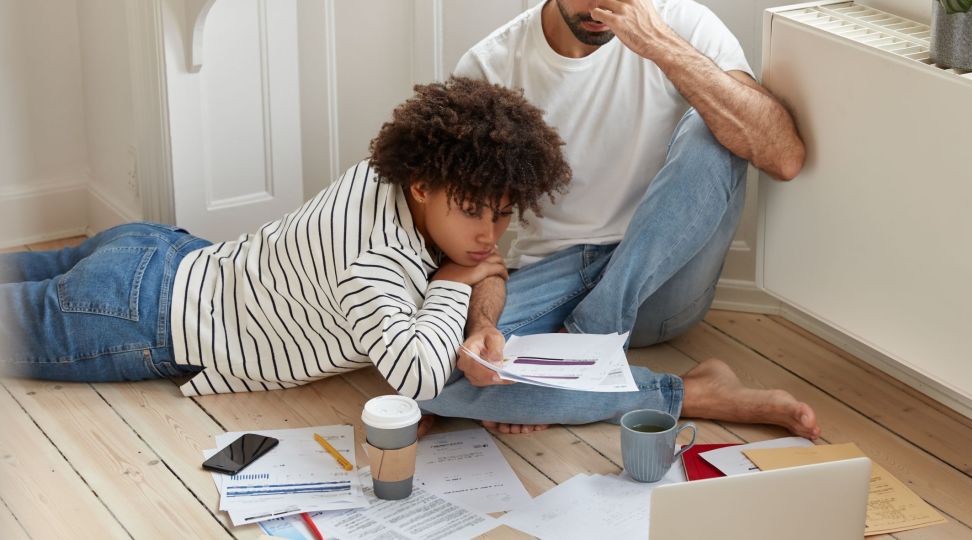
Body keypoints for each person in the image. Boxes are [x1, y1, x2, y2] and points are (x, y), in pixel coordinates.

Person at [0, 78, 570, 406]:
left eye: (501, 216)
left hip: (157, 251)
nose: (486, 234)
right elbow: (416, 375)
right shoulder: (369, 261)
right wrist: (449, 281)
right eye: (471, 212)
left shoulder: (382, 175)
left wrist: (472, 287)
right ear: (422, 186)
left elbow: (487, 263)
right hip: (134, 317)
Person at [416, 0, 821, 440]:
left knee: (720, 122)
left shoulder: (682, 23)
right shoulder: (491, 64)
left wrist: (663, 48)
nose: (601, 4)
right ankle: (693, 392)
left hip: (664, 283)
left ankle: (591, 341)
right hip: (560, 280)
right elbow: (459, 229)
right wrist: (474, 334)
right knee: (430, 371)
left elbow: (784, 157)